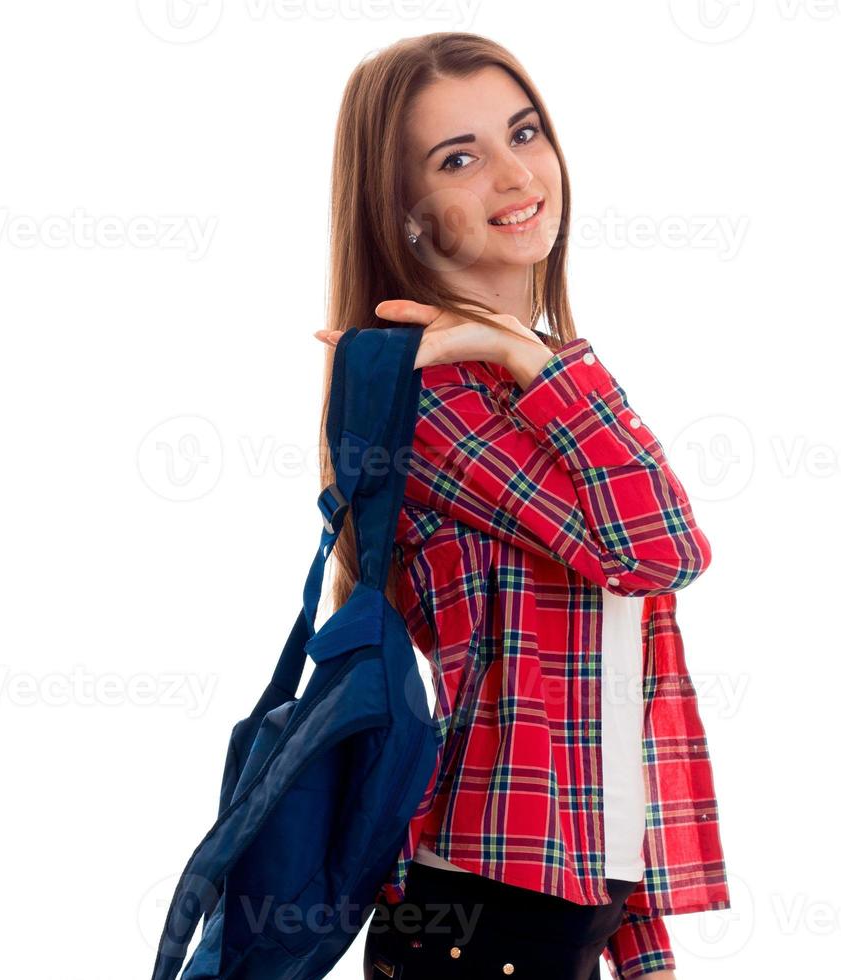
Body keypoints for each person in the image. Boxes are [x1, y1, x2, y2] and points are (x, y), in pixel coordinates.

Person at [311, 32, 729, 980]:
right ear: (405, 212)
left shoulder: (531, 375)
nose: (515, 174)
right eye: (459, 158)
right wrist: (539, 365)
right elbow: (661, 548)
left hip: (558, 905)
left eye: (524, 133)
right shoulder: (439, 403)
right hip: (479, 913)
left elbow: (608, 686)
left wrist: (642, 948)